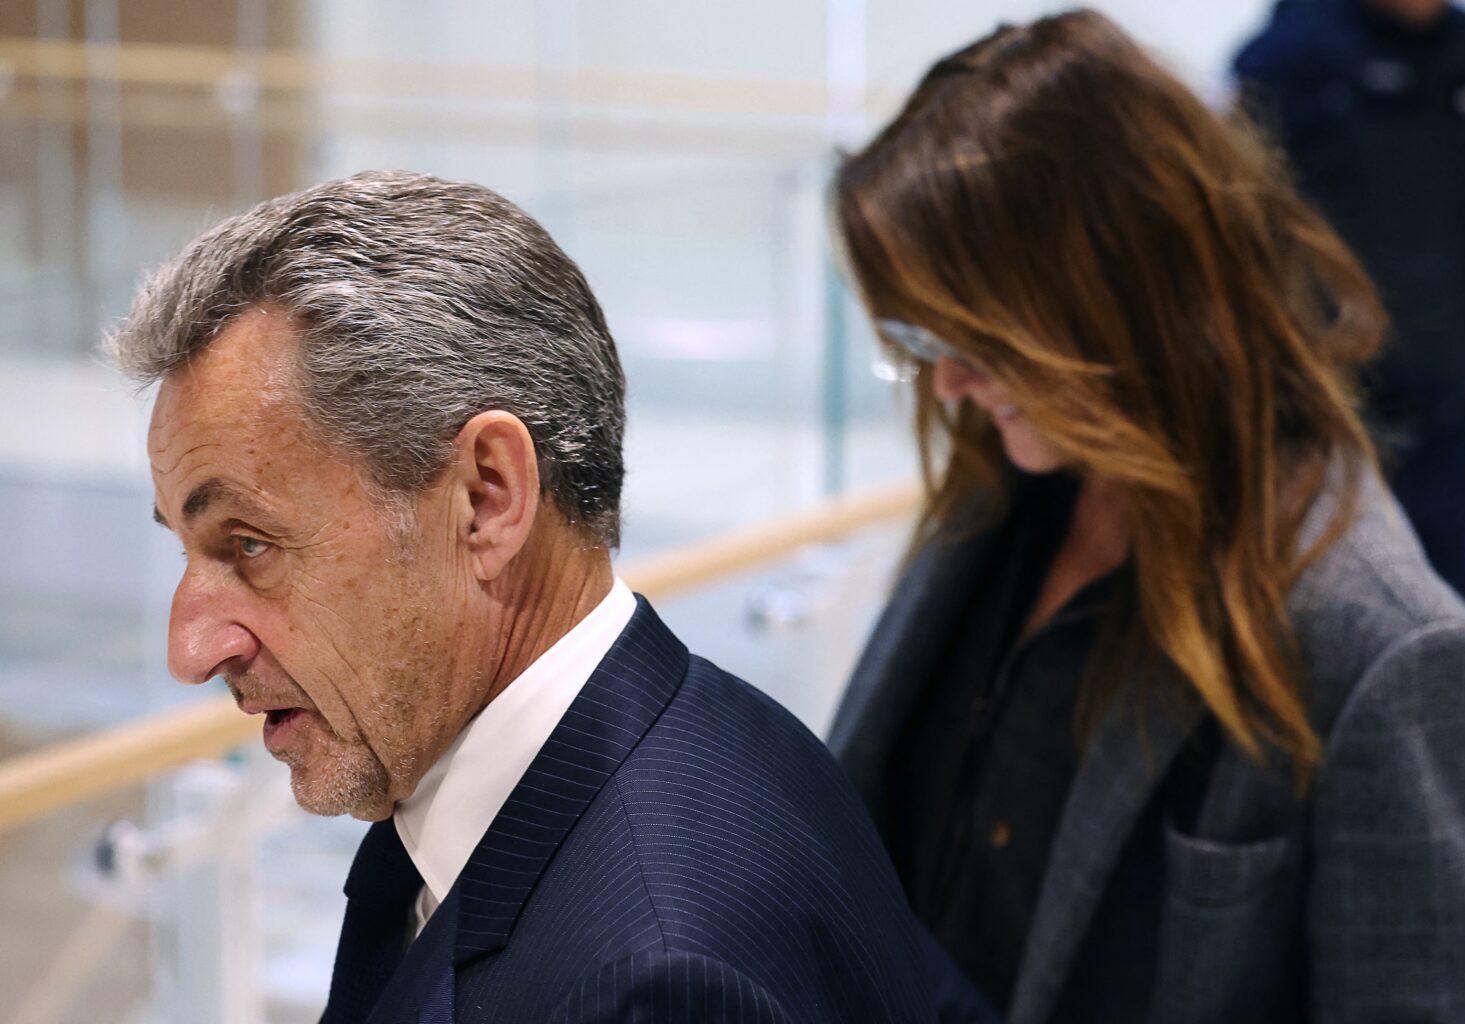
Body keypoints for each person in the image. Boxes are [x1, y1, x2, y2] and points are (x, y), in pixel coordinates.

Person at [110, 170, 949, 1024]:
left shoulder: (651, 983)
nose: (191, 650)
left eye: (249, 544)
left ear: (487, 498)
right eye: (185, 548)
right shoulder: (725, 734)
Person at [827, 12, 1465, 1023]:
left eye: (979, 340)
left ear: (1116, 298)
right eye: (927, 339)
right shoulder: (1001, 494)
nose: (950, 386)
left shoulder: (1380, 644)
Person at [1232, 0, 1465, 602]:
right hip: (1322, 435)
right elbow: (1242, 243)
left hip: (1444, 428)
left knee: (1444, 626)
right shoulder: (1291, 57)